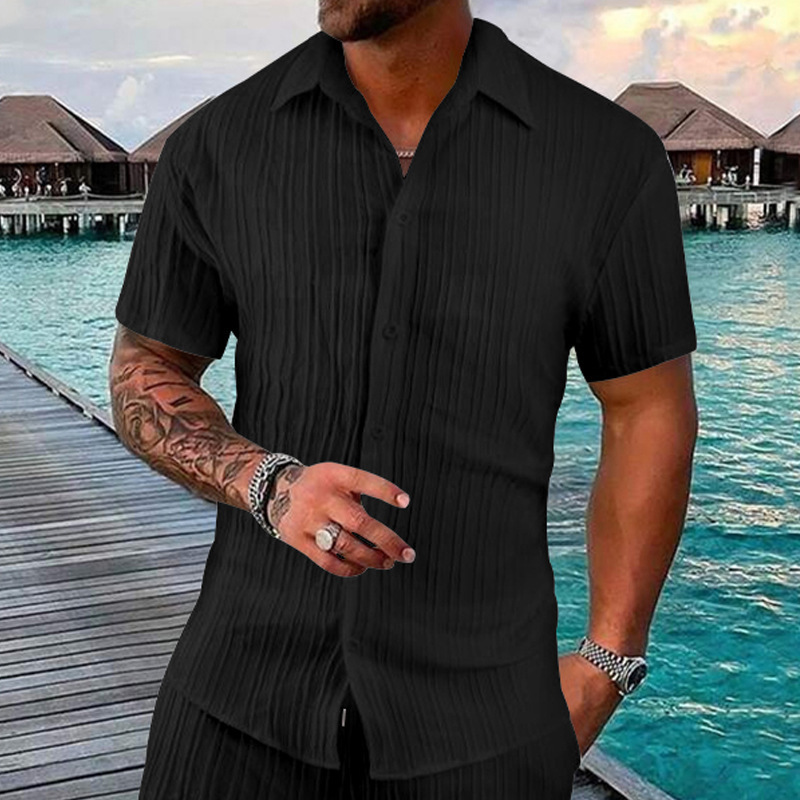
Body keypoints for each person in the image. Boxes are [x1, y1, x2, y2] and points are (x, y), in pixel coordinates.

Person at [110, 1, 698, 798]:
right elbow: (146, 364)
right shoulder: (217, 146)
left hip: (486, 729)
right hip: (235, 707)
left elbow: (646, 408)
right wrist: (267, 483)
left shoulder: (605, 158)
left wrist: (608, 662)